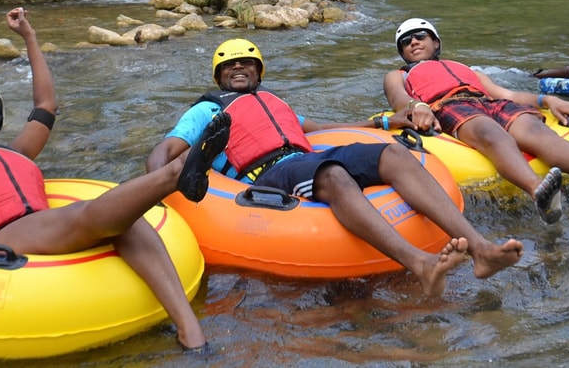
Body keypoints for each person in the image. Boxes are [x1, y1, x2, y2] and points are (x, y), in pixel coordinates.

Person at [0, 3, 215, 352]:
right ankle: (176, 172)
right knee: (88, 213)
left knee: (129, 221)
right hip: (0, 237)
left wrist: (29, 36)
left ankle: (192, 334)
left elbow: (46, 105)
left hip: (42, 226)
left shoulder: (17, 153)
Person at [146, 38, 525, 296]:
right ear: (219, 76)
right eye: (231, 65)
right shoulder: (207, 110)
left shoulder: (274, 103)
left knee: (394, 155)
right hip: (267, 175)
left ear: (260, 73)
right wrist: (155, 192)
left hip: (306, 158)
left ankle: (481, 249)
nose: (240, 68)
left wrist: (384, 123)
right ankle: (419, 264)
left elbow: (323, 130)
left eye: (248, 63)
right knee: (332, 175)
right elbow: (165, 150)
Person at [384, 19, 569, 224]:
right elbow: (398, 100)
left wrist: (547, 100)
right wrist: (417, 106)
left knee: (533, 129)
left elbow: (505, 94)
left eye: (420, 36)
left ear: (435, 42)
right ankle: (536, 190)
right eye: (406, 42)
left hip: (487, 101)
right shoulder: (399, 75)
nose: (413, 43)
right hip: (447, 105)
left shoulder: (465, 69)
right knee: (489, 132)